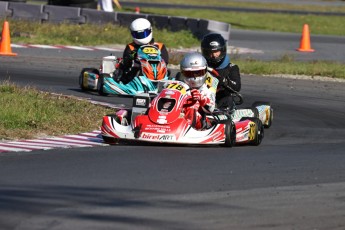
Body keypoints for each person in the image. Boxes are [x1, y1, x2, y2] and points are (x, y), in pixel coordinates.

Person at [115, 18, 169, 84]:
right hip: (135, 73)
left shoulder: (160, 46)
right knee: (133, 67)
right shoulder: (131, 47)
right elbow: (126, 62)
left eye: (144, 33)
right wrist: (133, 56)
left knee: (166, 69)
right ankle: (134, 83)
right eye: (138, 35)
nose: (141, 37)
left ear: (150, 30)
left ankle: (160, 80)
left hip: (157, 71)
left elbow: (165, 61)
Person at [201, 33, 241, 111]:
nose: (214, 55)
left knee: (227, 99)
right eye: (210, 52)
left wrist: (224, 81)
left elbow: (237, 87)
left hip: (221, 98)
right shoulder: (201, 66)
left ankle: (224, 118)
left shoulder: (231, 68)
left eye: (216, 51)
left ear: (222, 50)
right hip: (203, 96)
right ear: (205, 52)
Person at [180, 52, 219, 130]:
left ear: (205, 72)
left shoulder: (207, 89)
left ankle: (186, 128)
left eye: (198, 73)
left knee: (192, 107)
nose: (194, 77)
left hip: (201, 119)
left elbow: (210, 109)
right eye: (189, 73)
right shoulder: (181, 85)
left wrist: (202, 99)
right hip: (179, 116)